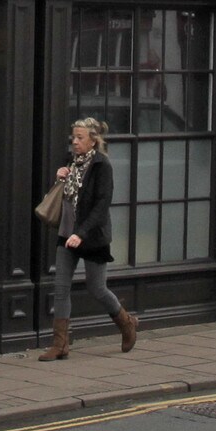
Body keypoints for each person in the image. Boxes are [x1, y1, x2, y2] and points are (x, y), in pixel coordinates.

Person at [40, 117, 138, 360]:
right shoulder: (70, 162)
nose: (74, 142)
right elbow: (65, 198)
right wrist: (59, 178)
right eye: (73, 137)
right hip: (67, 235)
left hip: (92, 237)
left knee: (97, 288)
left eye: (80, 138)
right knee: (60, 289)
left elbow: (102, 205)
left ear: (93, 140)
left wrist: (80, 234)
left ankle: (126, 323)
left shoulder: (101, 165)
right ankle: (60, 345)